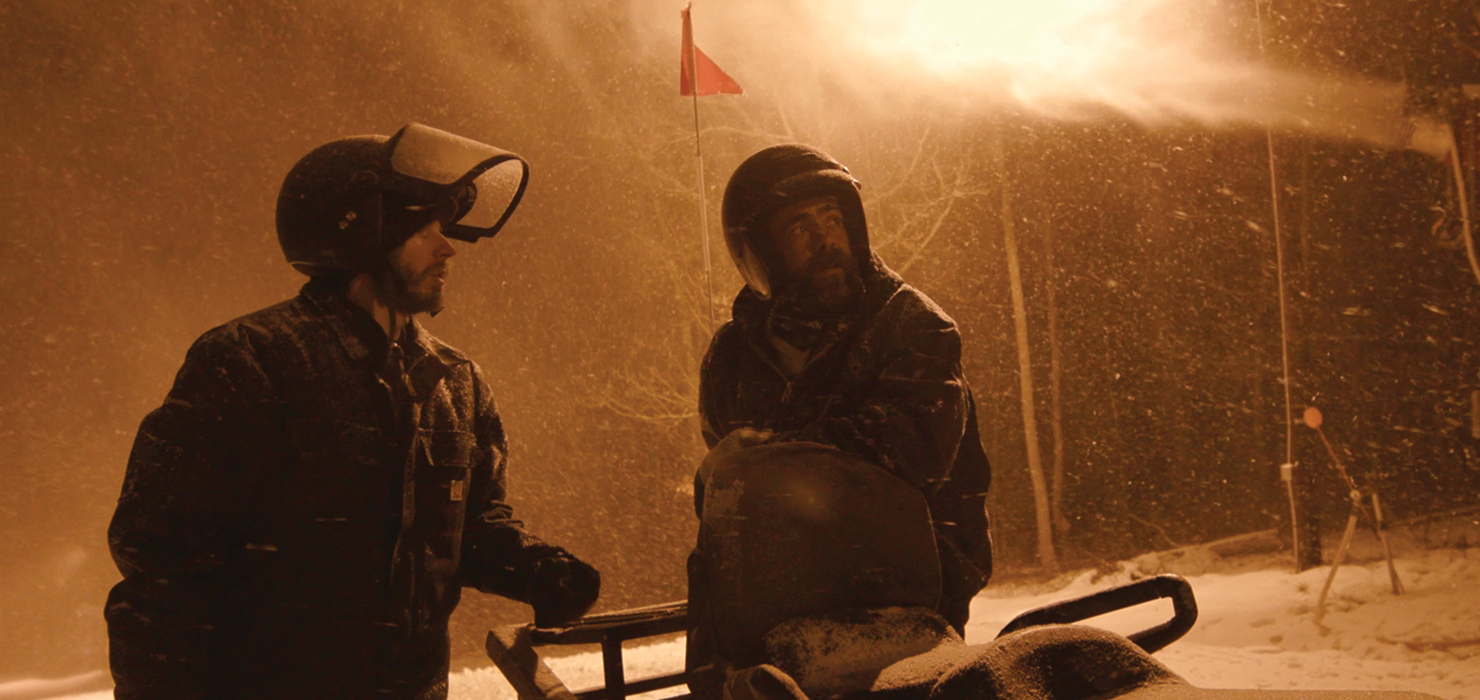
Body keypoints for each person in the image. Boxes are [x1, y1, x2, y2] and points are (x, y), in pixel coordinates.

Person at [104, 124, 599, 700]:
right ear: (362, 234)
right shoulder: (248, 361)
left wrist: (536, 569)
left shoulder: (455, 381)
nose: (447, 248)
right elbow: (161, 563)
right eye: (424, 230)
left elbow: (467, 527)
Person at [685, 144, 993, 693]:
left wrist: (762, 457)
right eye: (800, 228)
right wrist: (716, 474)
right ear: (759, 251)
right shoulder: (732, 357)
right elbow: (729, 495)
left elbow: (902, 455)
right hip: (772, 593)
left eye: (833, 219)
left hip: (906, 594)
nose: (827, 239)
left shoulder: (913, 327)